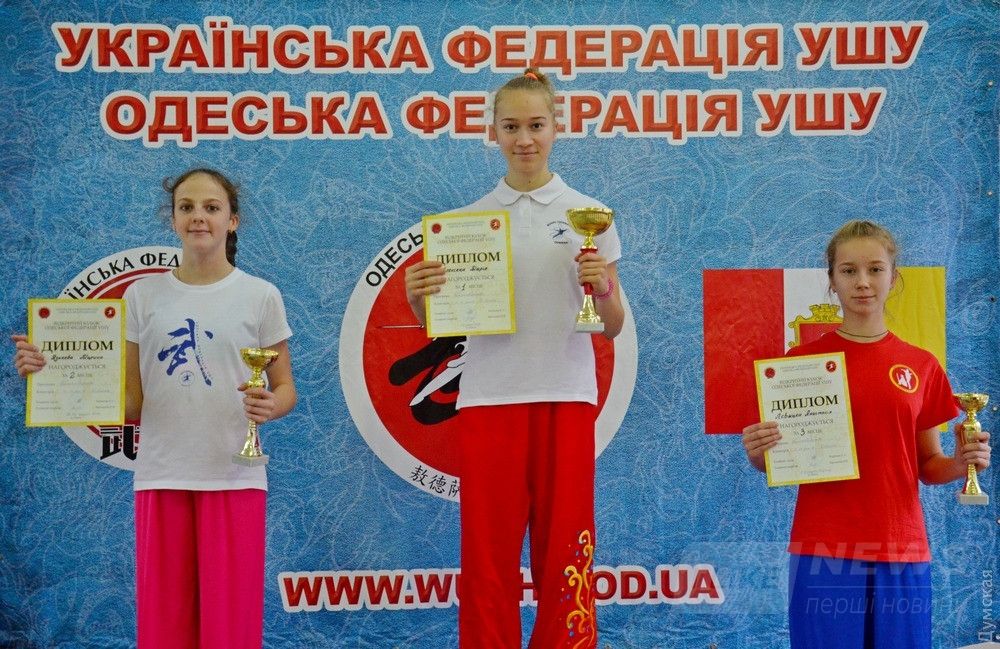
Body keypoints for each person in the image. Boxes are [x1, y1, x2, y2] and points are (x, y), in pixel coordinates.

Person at [12, 168, 296, 649]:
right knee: (165, 629)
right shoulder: (142, 295)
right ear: (173, 219)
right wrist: (51, 372)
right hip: (162, 475)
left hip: (234, 477)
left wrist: (271, 404)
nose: (198, 216)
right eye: (186, 207)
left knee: (231, 629)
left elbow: (286, 387)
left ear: (233, 221)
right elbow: (129, 402)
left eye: (211, 207)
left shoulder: (261, 295)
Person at [404, 68, 625, 648]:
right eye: (511, 127)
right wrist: (419, 299)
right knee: (487, 555)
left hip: (566, 397)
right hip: (489, 401)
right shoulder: (466, 223)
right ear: (493, 133)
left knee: (567, 548)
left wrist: (603, 287)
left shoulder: (590, 215)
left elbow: (613, 324)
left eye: (535, 125)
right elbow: (444, 322)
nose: (524, 139)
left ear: (557, 127)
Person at [741, 220, 991, 649]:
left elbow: (928, 466)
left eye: (875, 269)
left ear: (893, 277)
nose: (862, 282)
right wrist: (760, 454)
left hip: (901, 549)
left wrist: (962, 463)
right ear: (832, 280)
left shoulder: (922, 365)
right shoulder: (798, 366)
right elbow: (782, 459)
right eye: (848, 270)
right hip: (823, 550)